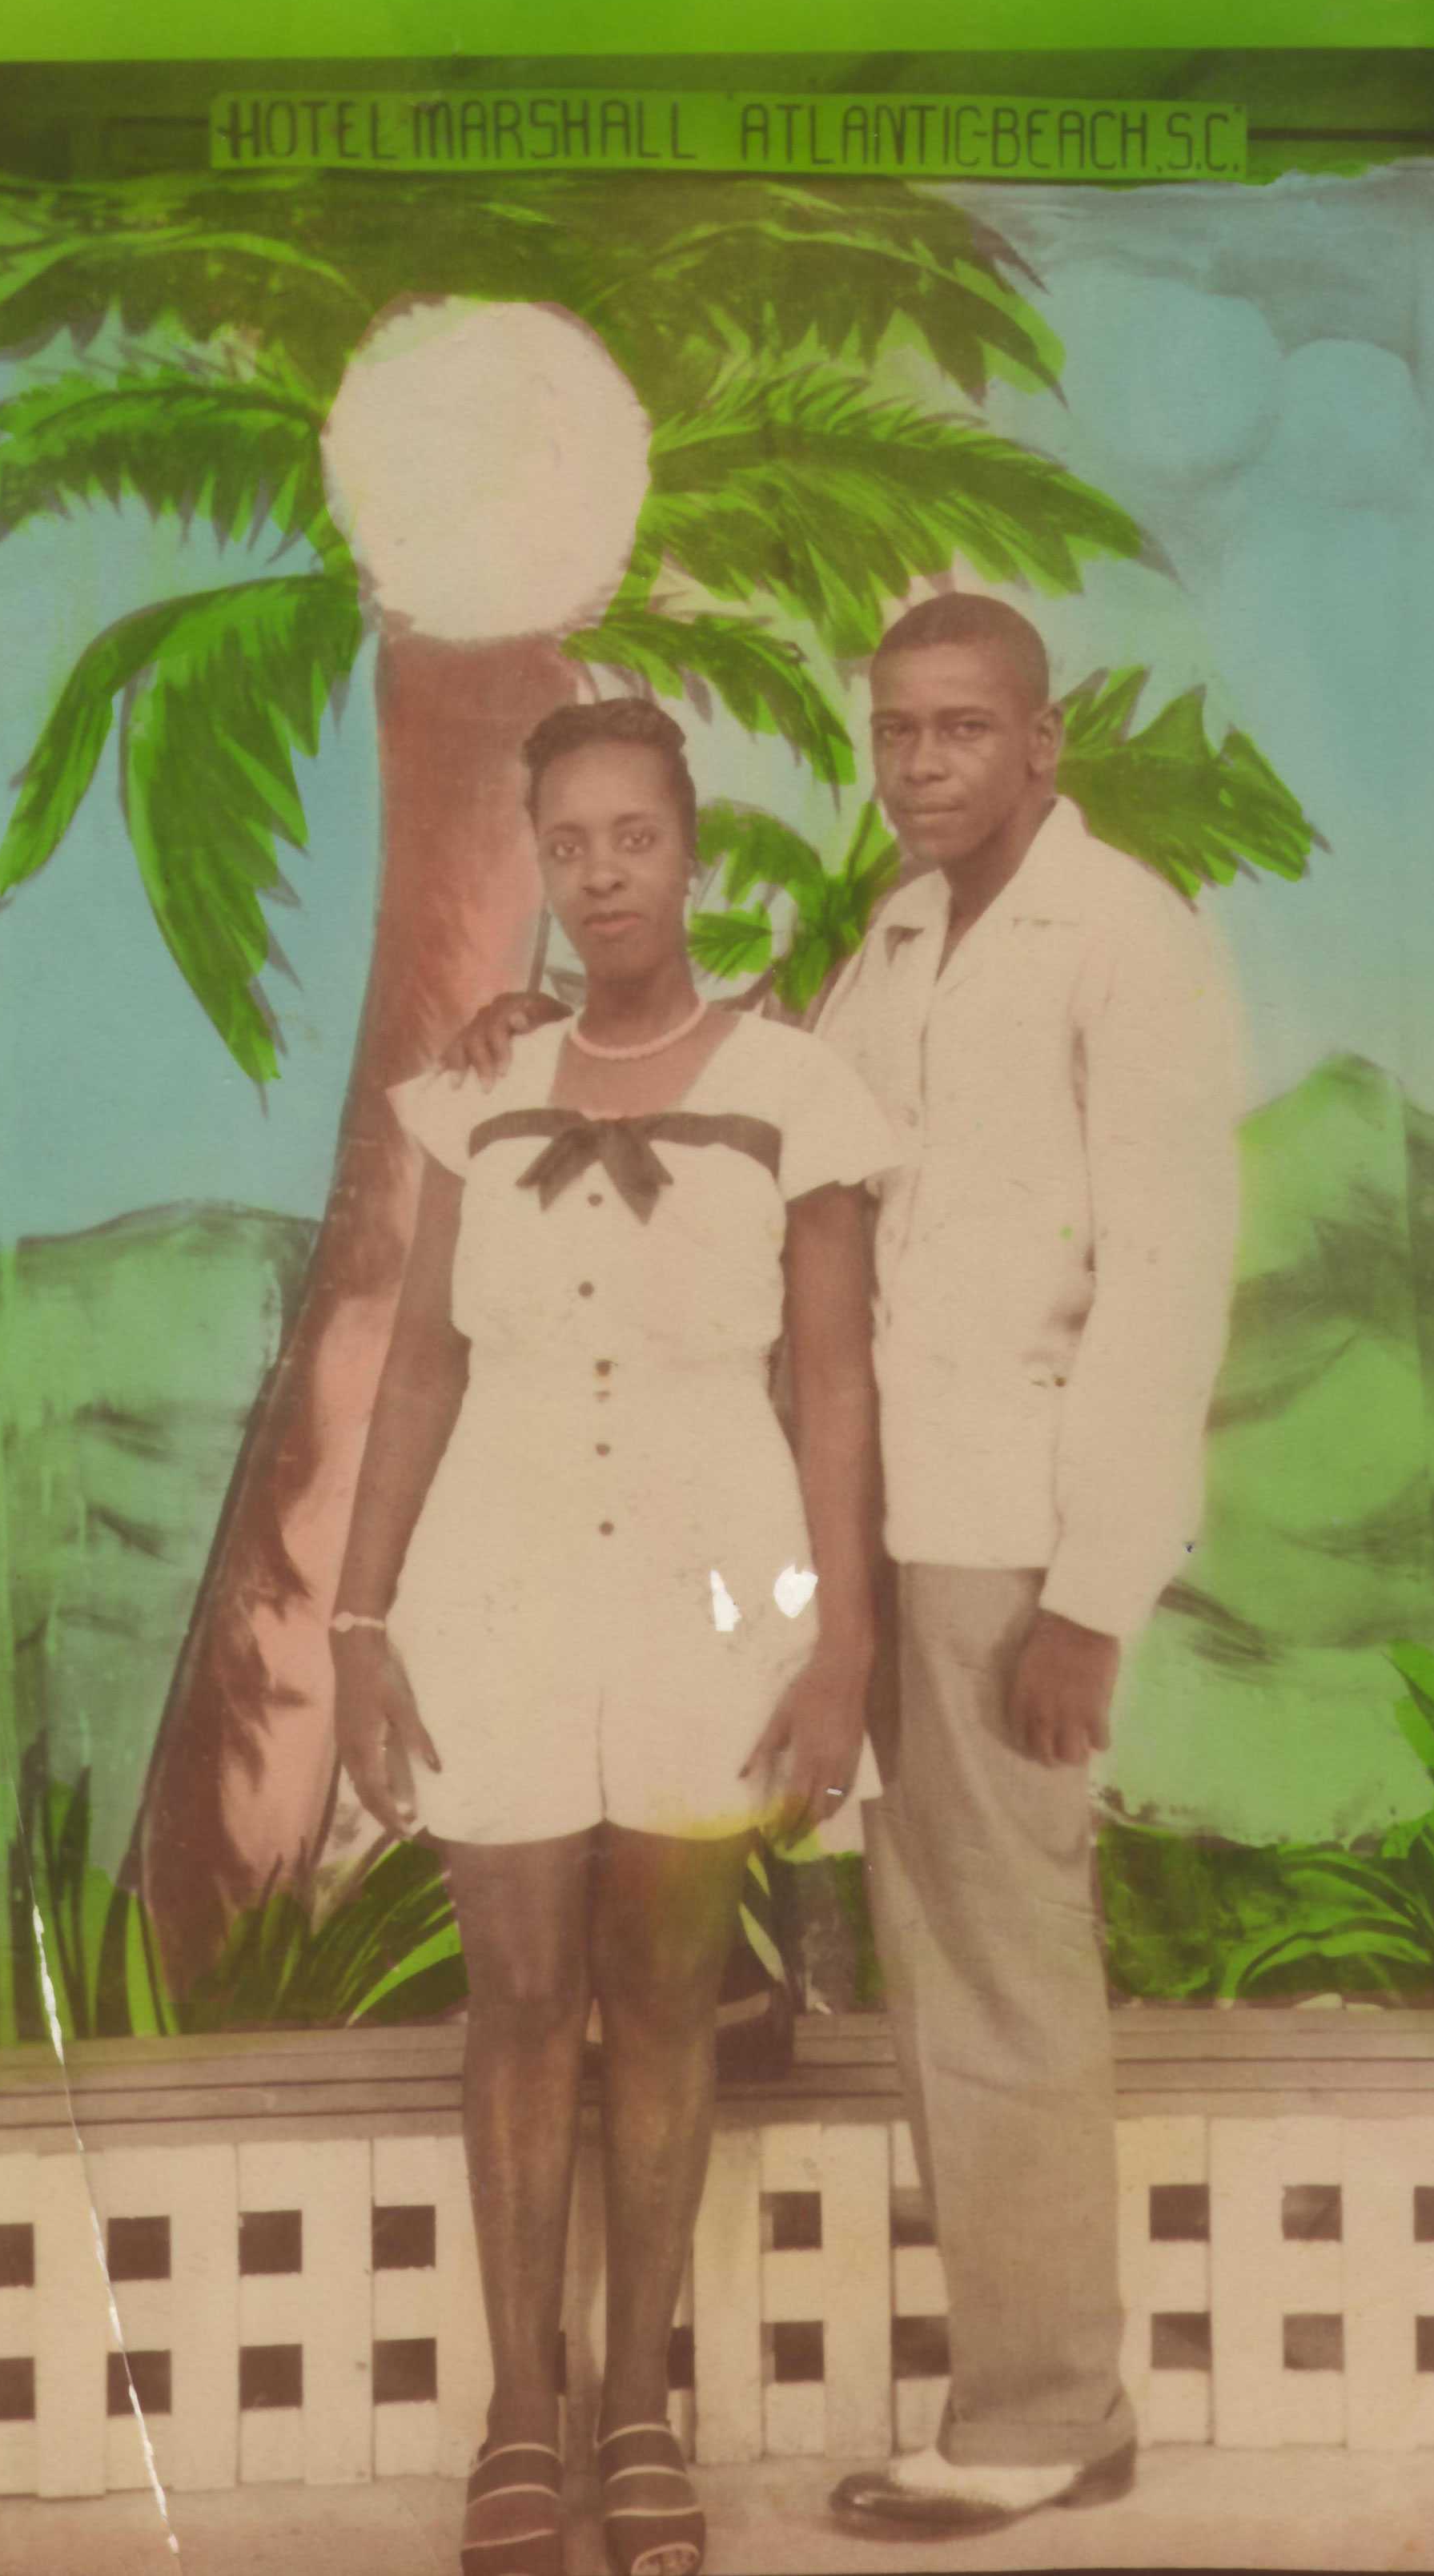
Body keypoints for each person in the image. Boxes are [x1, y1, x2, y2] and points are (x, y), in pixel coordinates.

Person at [451, 594, 1242, 2543]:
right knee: (881, 1922)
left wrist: (1092, 1594)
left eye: (962, 732)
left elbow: (1164, 1287)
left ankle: (1048, 2413)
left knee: (1000, 1965)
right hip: (863, 1528)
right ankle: (968, 2386)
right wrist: (527, 1038)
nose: (919, 766)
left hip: (1012, 1539)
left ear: (1042, 745)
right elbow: (752, 1128)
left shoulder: (1127, 942)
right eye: (894, 733)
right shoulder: (891, 947)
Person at [330, 693, 897, 2576]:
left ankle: (634, 2407)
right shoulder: (475, 1088)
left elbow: (830, 1386)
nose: (601, 876)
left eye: (631, 837)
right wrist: (359, 1619)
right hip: (494, 1581)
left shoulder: (796, 1086)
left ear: (691, 850)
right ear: (546, 870)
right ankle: (518, 2412)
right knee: (513, 1999)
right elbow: (417, 1368)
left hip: (709, 1577)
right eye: (566, 845)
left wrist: (838, 1647)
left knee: (658, 1998)